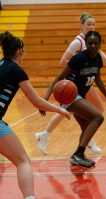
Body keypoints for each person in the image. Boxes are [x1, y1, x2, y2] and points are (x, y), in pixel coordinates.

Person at [35, 12, 106, 155]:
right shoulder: (78, 42)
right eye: (88, 24)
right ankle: (48, 135)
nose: (92, 27)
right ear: (82, 25)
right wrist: (80, 63)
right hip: (74, 83)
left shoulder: (90, 40)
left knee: (96, 109)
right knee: (76, 111)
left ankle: (48, 135)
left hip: (85, 80)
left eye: (93, 24)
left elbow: (98, 50)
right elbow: (63, 61)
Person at [0, 31, 70, 199]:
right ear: (20, 52)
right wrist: (60, 109)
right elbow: (37, 102)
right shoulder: (16, 70)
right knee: (23, 161)